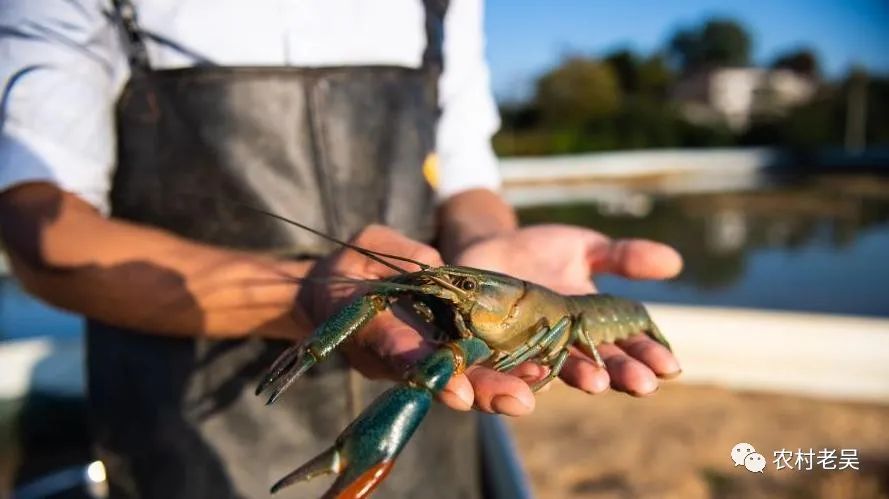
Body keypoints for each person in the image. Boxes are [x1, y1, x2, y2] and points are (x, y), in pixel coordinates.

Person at [0, 0, 682, 497]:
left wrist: (485, 239)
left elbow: (466, 176)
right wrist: (299, 295)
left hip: (435, 429)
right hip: (180, 416)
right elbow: (36, 224)